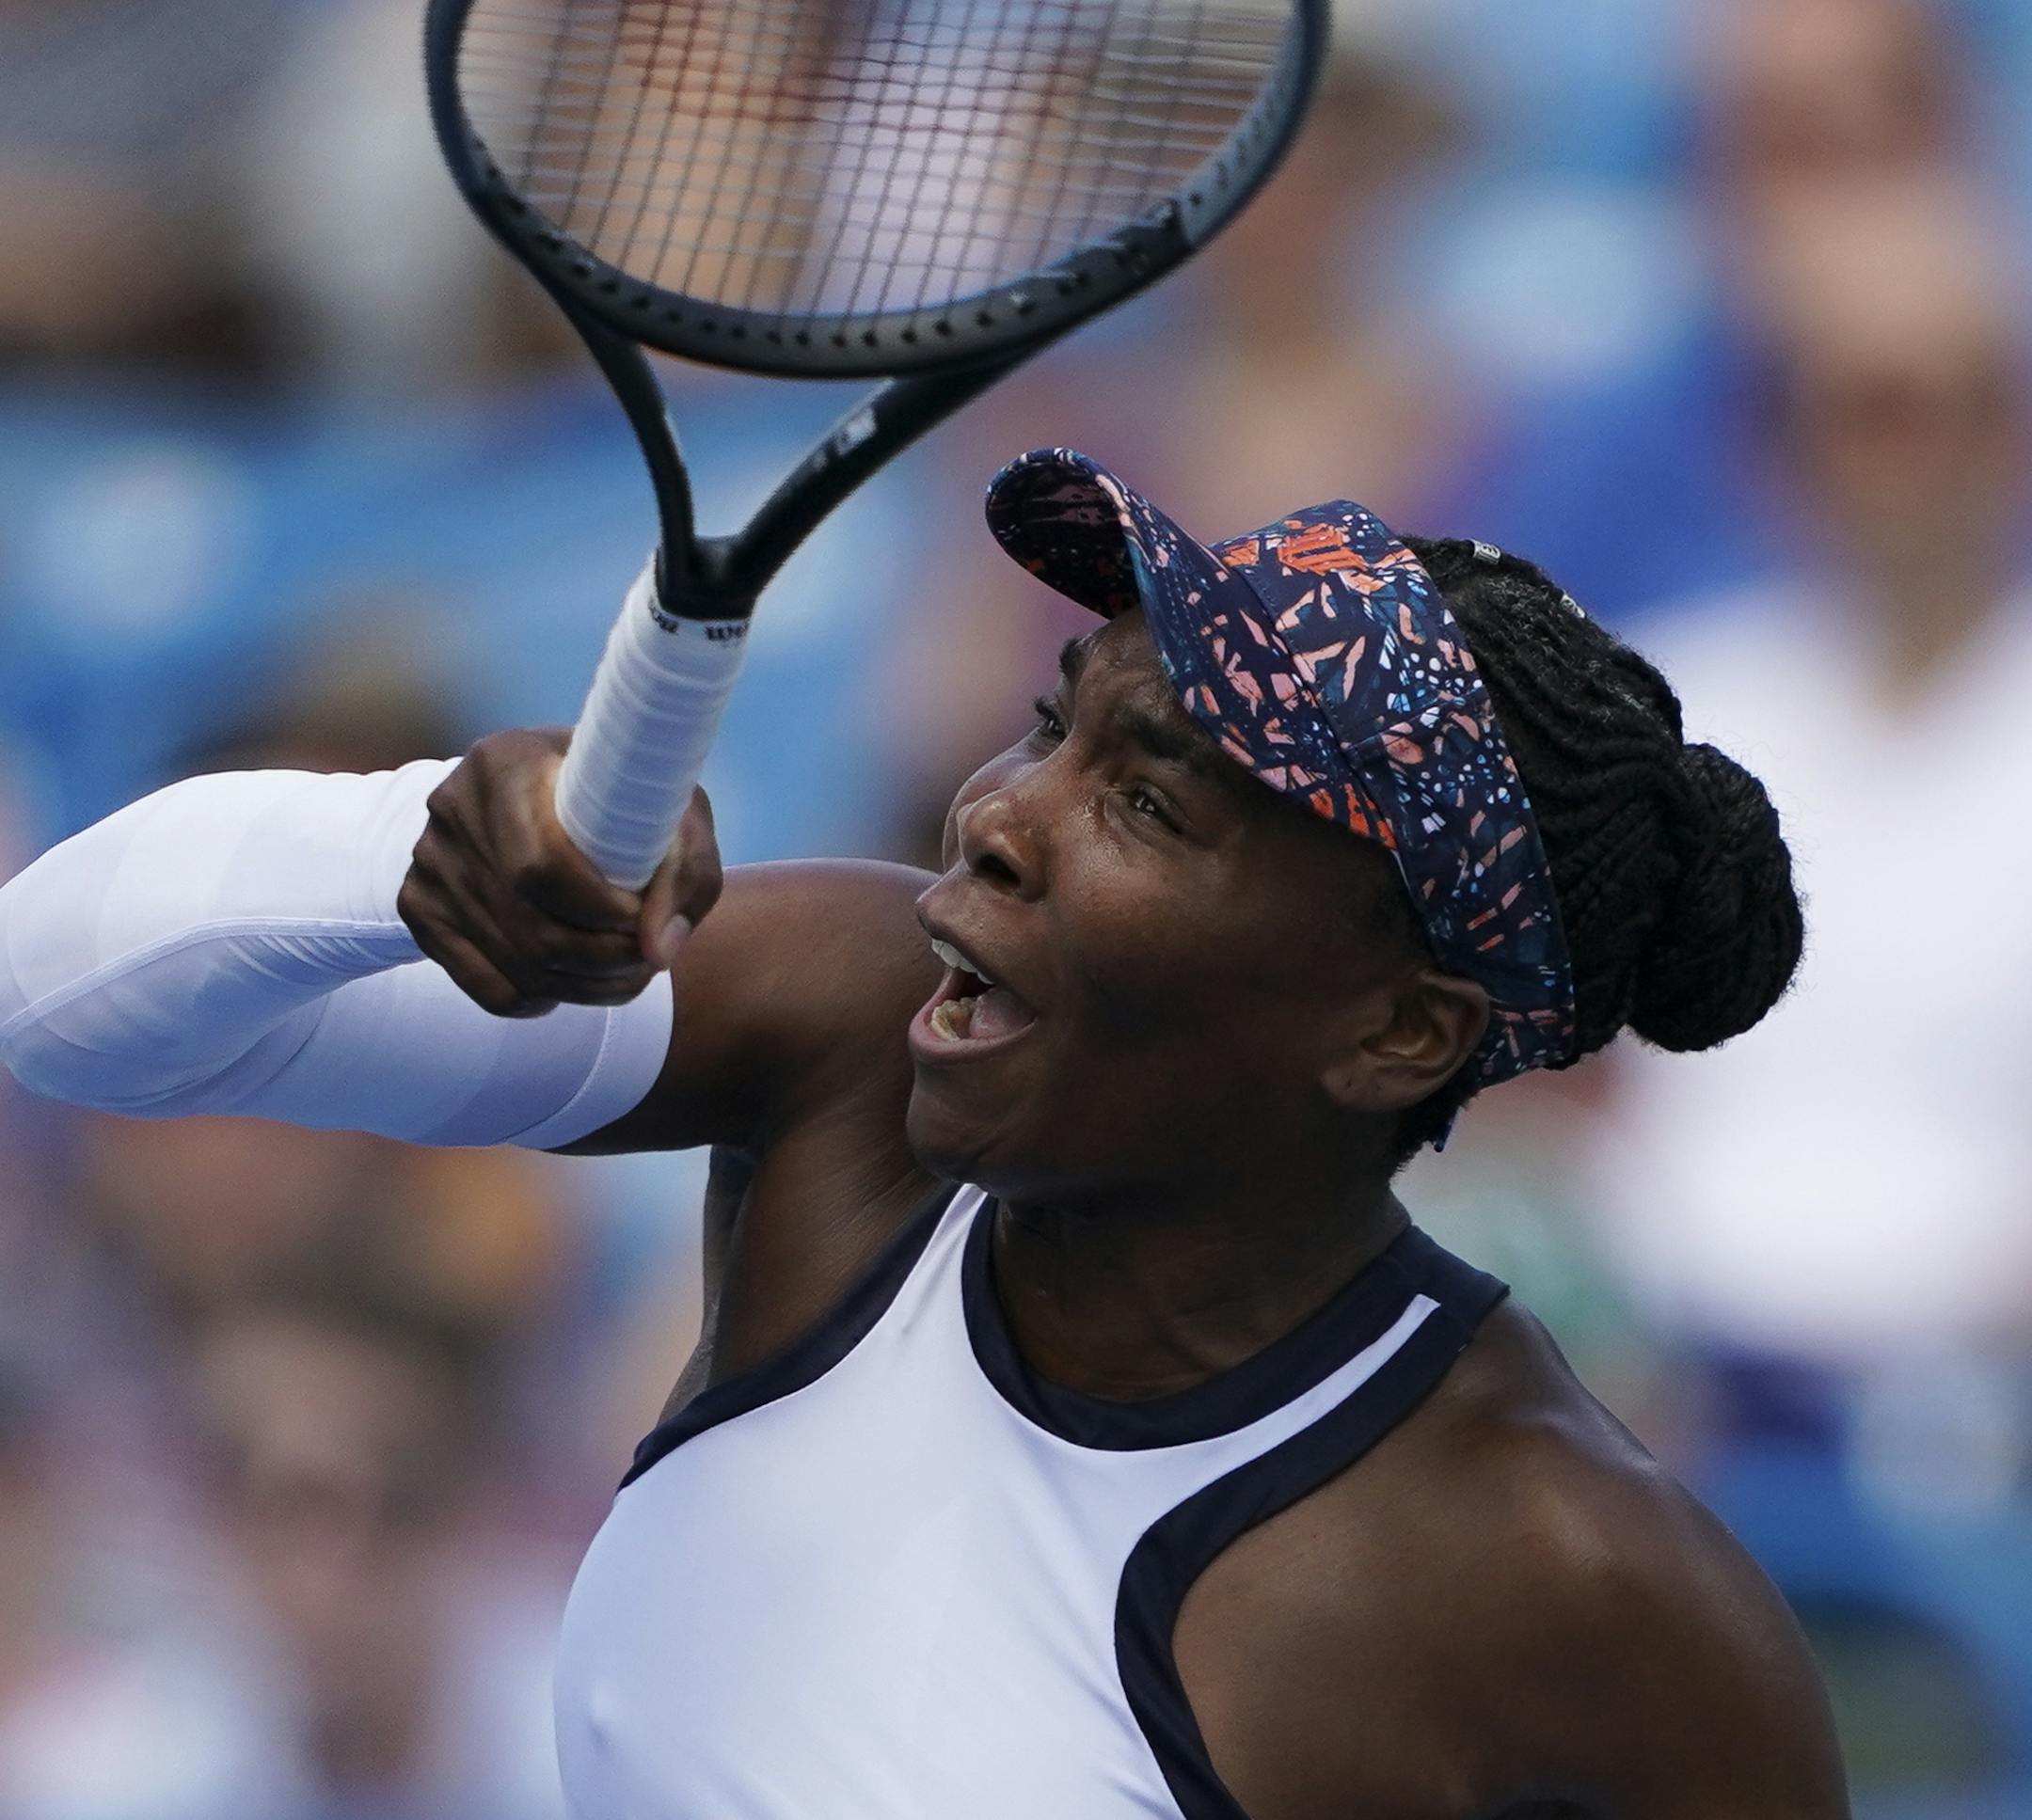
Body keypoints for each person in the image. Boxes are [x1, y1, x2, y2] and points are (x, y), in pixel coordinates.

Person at [0, 450, 1848, 1817]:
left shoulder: (1577, 1586)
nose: (997, 813)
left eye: (1146, 800)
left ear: (1396, 1029)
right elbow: (64, 1000)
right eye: (1054, 719)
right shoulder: (846, 1029)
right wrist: (408, 851)